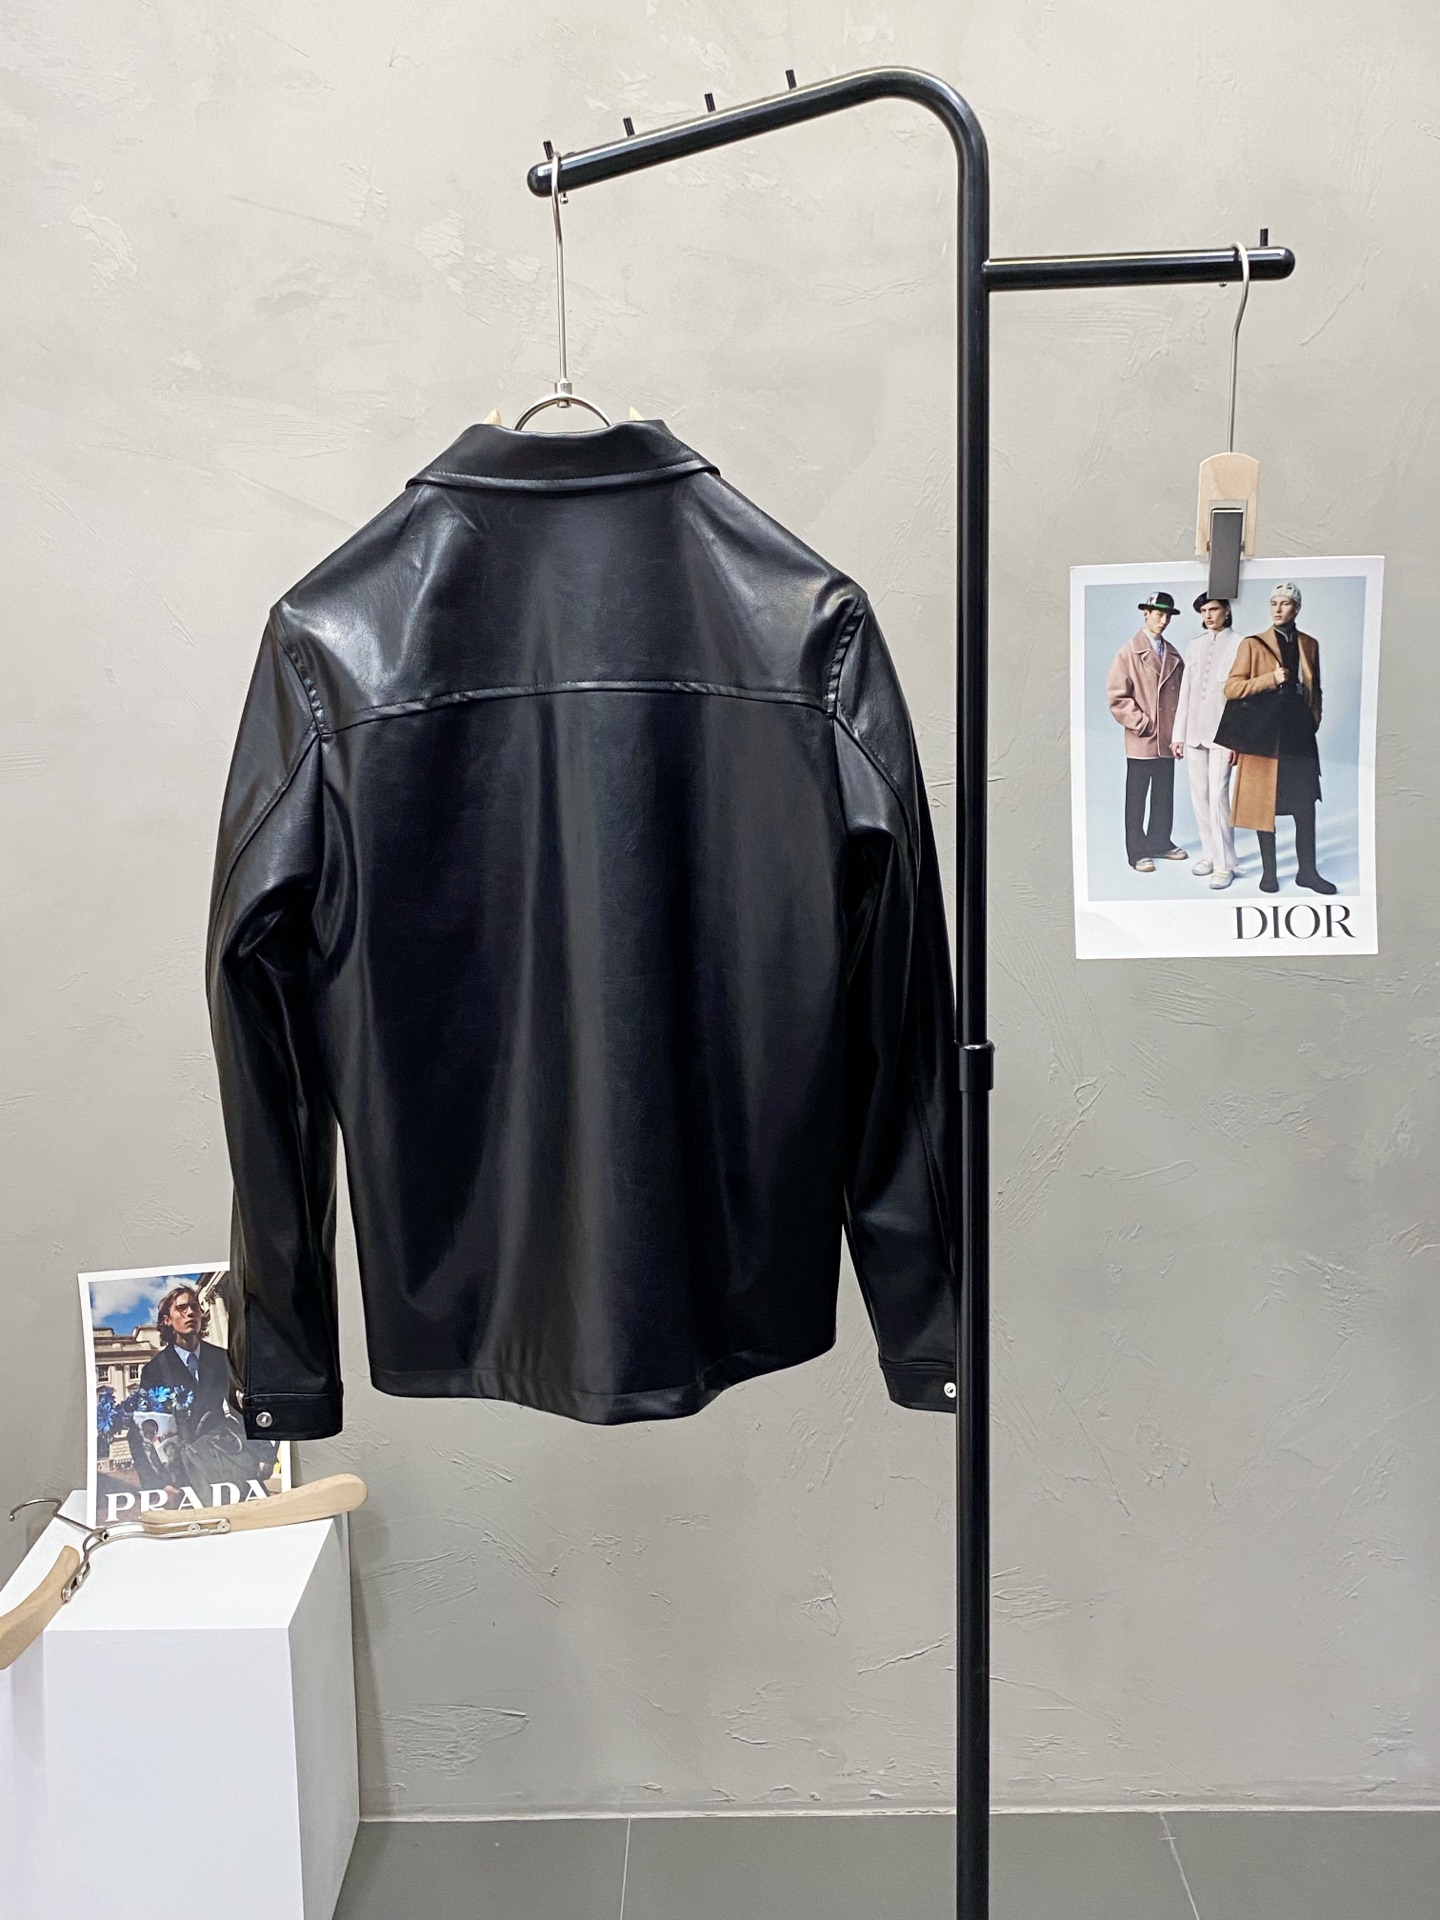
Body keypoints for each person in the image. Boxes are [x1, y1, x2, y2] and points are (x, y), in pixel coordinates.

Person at [1220, 582, 1335, 895]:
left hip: (1299, 737)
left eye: (1285, 604)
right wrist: (1270, 679)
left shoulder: (1310, 643)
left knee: (1305, 806)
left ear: (1297, 608)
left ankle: (1307, 873)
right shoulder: (1253, 644)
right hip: (1264, 736)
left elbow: (1315, 689)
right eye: (1274, 603)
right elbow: (1231, 688)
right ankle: (1269, 874)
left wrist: (1313, 720)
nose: (1278, 609)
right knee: (1264, 805)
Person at [1106, 590, 1188, 872]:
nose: (1163, 621)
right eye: (1159, 614)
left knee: (1164, 795)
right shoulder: (1128, 652)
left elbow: (1183, 696)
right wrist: (1143, 723)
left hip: (1168, 739)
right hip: (1142, 738)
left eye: (1168, 616)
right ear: (1146, 614)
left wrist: (1179, 732)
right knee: (1137, 798)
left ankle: (1160, 842)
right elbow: (1117, 697)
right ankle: (1137, 852)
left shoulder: (1173, 653)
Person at [1171, 594, 1241, 889]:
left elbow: (1242, 699)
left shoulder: (1241, 644)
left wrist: (1237, 739)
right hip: (1194, 733)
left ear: (1227, 610)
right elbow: (1185, 692)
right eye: (1203, 611)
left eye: (1213, 609)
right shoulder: (1194, 645)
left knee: (1218, 797)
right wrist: (1179, 735)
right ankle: (1210, 855)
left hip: (1224, 734)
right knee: (1199, 796)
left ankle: (1225, 865)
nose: (1208, 616)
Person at [140, 1284, 232, 1438]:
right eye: (182, 1308)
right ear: (167, 1320)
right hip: (182, 1449)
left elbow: (239, 1408)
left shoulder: (220, 1357)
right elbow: (149, 1427)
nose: (190, 1313)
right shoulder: (153, 1370)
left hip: (222, 1446)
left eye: (195, 1307)